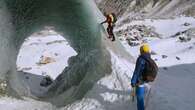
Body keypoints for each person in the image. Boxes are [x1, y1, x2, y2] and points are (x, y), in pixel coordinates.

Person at [131, 44, 153, 110]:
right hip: (145, 79)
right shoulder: (148, 57)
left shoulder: (141, 59)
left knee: (139, 98)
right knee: (140, 94)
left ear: (142, 51)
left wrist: (133, 81)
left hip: (140, 80)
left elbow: (136, 71)